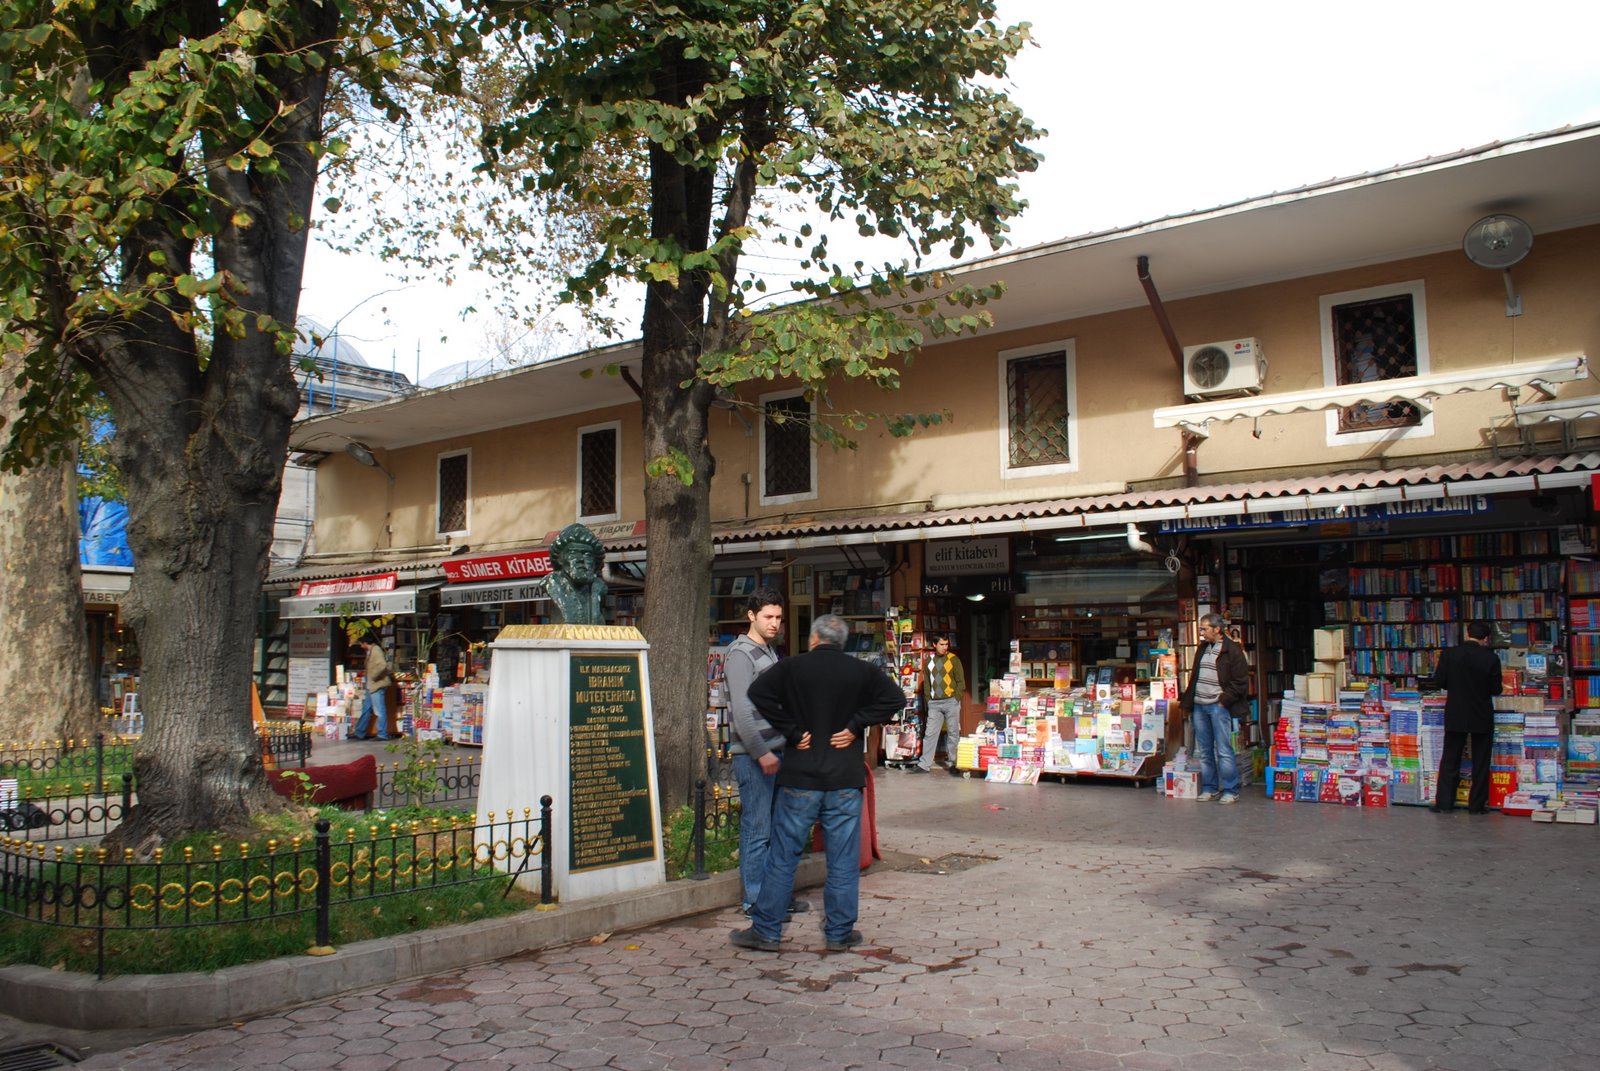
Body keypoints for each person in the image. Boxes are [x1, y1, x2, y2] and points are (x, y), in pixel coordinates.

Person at [730, 614, 902, 953]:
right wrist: (856, 724)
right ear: (843, 642)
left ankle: (766, 930)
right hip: (844, 778)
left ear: (813, 640)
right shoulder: (862, 671)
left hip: (801, 776)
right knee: (842, 858)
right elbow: (895, 699)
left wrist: (791, 731)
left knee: (783, 855)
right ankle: (839, 932)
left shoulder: (792, 667)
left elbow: (757, 692)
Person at [724, 588, 807, 919]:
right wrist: (761, 753)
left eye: (778, 618)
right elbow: (743, 712)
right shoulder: (740, 654)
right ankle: (755, 901)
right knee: (757, 830)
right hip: (755, 756)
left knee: (777, 829)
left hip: (777, 751)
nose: (775, 623)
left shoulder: (770, 652)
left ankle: (775, 896)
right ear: (751, 616)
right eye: (768, 617)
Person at [1427, 621, 1503, 814]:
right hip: (1481, 713)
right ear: (1485, 639)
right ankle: (1476, 806)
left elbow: (1440, 681)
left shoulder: (1449, 654)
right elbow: (1496, 689)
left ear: (1467, 633)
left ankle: (1444, 803)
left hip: (1456, 712)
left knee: (1450, 757)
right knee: (1481, 760)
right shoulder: (1491, 658)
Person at [1180, 612, 1248, 804]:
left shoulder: (1232, 651)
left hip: (1218, 706)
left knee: (1224, 749)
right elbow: (1195, 677)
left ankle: (1230, 789)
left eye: (1204, 628)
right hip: (1200, 706)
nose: (1201, 632)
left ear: (1217, 629)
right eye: (1201, 628)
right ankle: (1209, 787)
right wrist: (1190, 702)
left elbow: (1240, 682)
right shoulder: (1202, 648)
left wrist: (1223, 701)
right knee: (1205, 750)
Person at [911, 633, 965, 773]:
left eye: (946, 644)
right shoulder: (929, 660)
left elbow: (961, 682)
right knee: (930, 733)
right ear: (934, 645)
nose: (944, 647)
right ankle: (924, 764)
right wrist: (929, 700)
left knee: (953, 733)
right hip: (935, 703)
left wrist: (956, 698)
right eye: (941, 644)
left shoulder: (954, 659)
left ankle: (953, 763)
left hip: (950, 701)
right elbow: (927, 683)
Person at [545, 522, 609, 625]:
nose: (580, 559)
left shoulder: (598, 588)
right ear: (560, 559)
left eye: (587, 555)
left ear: (594, 562)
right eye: (573, 553)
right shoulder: (553, 584)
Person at [349, 635, 393, 741]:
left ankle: (382, 734)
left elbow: (382, 665)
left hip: (376, 685)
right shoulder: (370, 651)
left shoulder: (376, 650)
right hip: (371, 686)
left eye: (361, 643)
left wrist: (373, 676)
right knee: (366, 709)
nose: (360, 645)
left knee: (379, 710)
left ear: (365, 643)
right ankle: (359, 732)